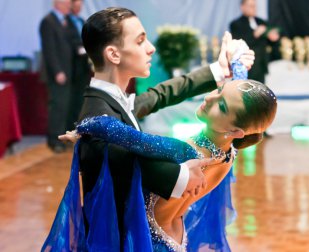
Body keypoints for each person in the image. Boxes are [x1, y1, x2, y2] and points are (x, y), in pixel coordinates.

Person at [42, 7, 255, 252]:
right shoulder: (99, 119)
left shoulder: (110, 101)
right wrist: (183, 174)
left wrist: (219, 70)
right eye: (141, 41)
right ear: (113, 54)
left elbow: (158, 95)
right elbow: (138, 166)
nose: (151, 48)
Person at [39, 0, 74, 153]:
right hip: (57, 74)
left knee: (65, 106)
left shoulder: (65, 21)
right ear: (58, 3)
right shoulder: (48, 22)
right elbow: (49, 50)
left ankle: (62, 137)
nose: (69, 6)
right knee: (57, 107)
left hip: (68, 72)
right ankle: (54, 140)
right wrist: (57, 71)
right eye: (66, 3)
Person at [229, 0, 280, 84]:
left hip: (261, 66)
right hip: (245, 66)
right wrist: (254, 34)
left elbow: (270, 43)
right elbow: (238, 43)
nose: (253, 8)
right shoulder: (236, 24)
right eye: (250, 6)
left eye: (254, 6)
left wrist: (273, 38)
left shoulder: (262, 22)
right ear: (243, 7)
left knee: (259, 93)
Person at [66, 0, 92, 129]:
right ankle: (70, 128)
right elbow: (69, 43)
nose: (79, 6)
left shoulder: (82, 21)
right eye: (76, 3)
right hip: (72, 67)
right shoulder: (64, 22)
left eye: (81, 4)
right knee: (72, 101)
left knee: (83, 100)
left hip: (84, 67)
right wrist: (81, 49)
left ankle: (80, 128)